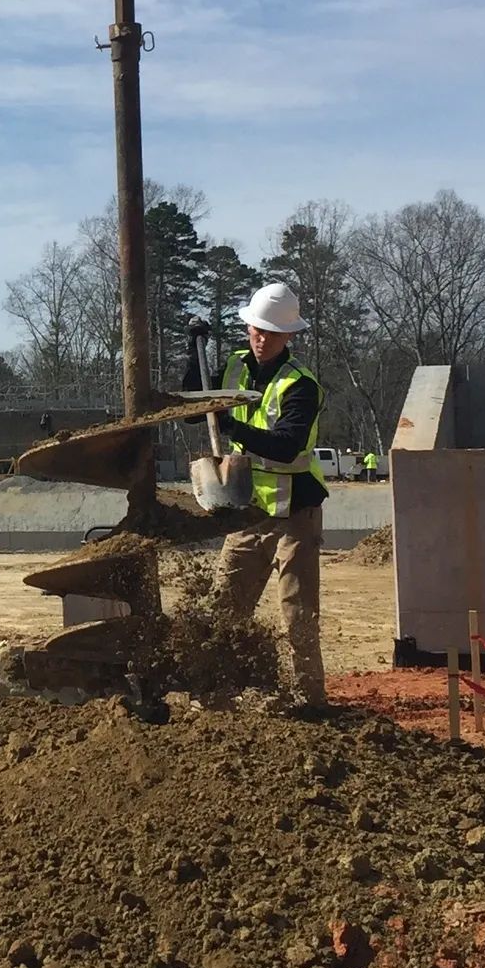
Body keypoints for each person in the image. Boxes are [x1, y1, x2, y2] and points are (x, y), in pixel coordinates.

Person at [184, 282, 328, 706]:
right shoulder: (234, 367)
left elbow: (286, 444)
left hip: (295, 512)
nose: (261, 339)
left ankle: (309, 700)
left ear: (289, 336)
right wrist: (193, 351)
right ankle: (214, 692)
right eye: (255, 330)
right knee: (224, 605)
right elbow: (195, 407)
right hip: (246, 510)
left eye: (271, 332)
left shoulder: (300, 385)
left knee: (298, 612)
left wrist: (231, 427)